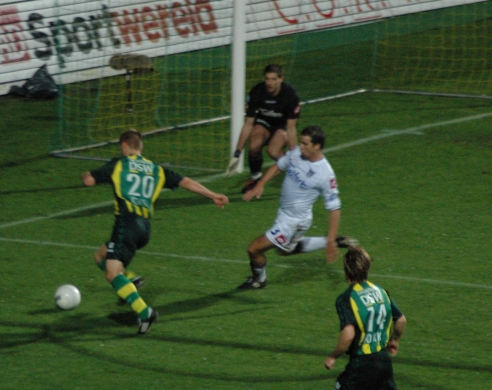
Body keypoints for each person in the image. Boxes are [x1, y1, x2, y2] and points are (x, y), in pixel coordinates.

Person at [82, 129, 229, 334]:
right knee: (100, 255)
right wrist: (213, 195)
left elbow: (89, 180)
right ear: (140, 146)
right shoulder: (156, 169)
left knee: (112, 274)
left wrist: (86, 174)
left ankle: (144, 313)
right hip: (144, 228)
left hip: (127, 224)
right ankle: (131, 279)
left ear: (124, 146)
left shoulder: (119, 164)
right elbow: (185, 181)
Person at [238, 125, 357, 290]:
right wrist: (260, 185)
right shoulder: (296, 153)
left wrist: (331, 239)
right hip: (285, 214)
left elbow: (334, 208)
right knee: (284, 251)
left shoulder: (325, 174)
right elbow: (279, 165)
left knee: (254, 249)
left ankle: (259, 280)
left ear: (317, 146)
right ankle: (333, 241)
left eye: (305, 144)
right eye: (301, 142)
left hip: (293, 221)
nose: (301, 146)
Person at [324, 246, 407, 389]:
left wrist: (333, 357)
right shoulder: (381, 292)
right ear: (367, 268)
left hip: (362, 364)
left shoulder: (346, 298)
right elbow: (401, 320)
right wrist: (394, 340)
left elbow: (348, 335)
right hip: (384, 361)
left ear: (346, 272)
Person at [226, 64, 300, 194]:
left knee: (273, 152)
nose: (269, 83)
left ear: (281, 79)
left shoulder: (290, 95)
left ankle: (290, 167)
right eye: (267, 79)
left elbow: (291, 128)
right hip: (263, 124)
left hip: (281, 127)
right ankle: (255, 179)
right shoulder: (257, 92)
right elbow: (248, 124)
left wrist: (294, 154)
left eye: (273, 79)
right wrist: (237, 153)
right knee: (254, 146)